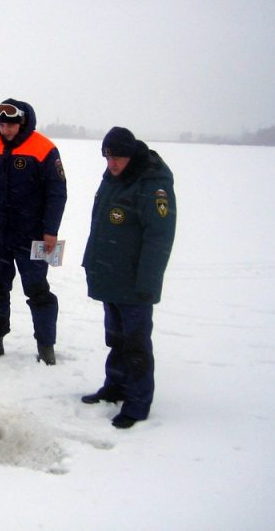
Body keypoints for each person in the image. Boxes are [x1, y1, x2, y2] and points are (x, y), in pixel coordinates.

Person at [80, 127, 177, 429]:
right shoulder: (112, 178)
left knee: (135, 344)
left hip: (135, 283)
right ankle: (116, 386)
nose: (112, 163)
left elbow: (159, 237)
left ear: (131, 154)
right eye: (107, 157)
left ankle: (138, 402)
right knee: (116, 338)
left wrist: (148, 284)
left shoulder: (152, 184)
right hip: (111, 276)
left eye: (118, 157)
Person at [0, 98, 67, 365]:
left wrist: (50, 230)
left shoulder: (44, 149)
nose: (6, 130)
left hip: (32, 235)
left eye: (11, 124)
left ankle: (46, 345)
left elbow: (56, 194)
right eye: (2, 124)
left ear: (22, 122)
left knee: (38, 290)